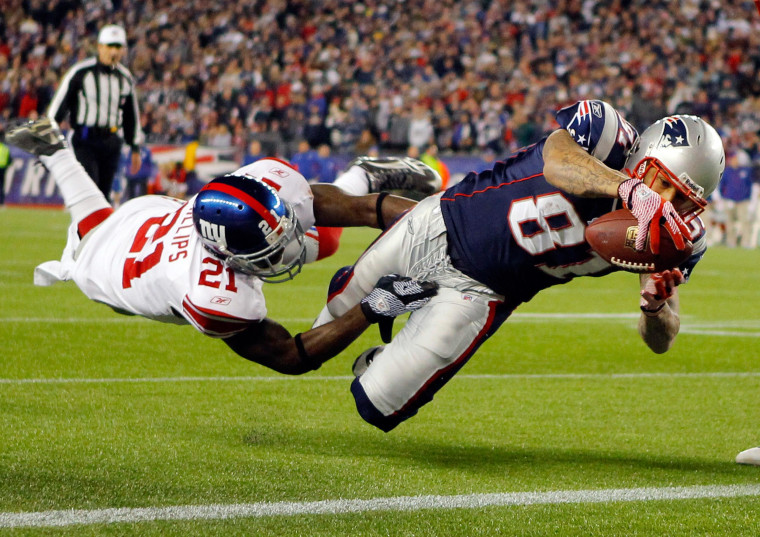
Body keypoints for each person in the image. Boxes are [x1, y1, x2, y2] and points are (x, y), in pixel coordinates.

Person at [314, 100, 725, 433]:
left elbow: (662, 341)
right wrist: (626, 187)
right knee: (331, 316)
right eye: (661, 180)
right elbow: (558, 161)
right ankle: (360, 262)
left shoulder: (675, 237)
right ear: (642, 156)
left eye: (683, 198)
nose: (666, 199)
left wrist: (654, 308)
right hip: (443, 223)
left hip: (484, 292)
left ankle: (396, 342)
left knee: (377, 407)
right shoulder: (606, 133)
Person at [6, 117, 440, 373]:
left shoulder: (254, 187)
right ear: (228, 257)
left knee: (318, 236)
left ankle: (361, 176)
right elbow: (290, 355)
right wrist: (372, 308)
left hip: (148, 218)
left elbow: (364, 211)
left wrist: (444, 223)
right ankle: (57, 150)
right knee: (94, 235)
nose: (284, 244)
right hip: (119, 262)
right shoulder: (212, 296)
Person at [46, 24, 145, 203]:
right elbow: (58, 108)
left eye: (118, 47)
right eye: (109, 46)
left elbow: (131, 114)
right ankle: (83, 230)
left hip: (112, 140)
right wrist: (49, 137)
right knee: (89, 190)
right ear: (100, 47)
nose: (113, 52)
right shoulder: (81, 72)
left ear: (123, 50)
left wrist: (135, 147)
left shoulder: (124, 77)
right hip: (85, 140)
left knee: (103, 195)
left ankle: (96, 231)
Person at [0, 128, 11, 206]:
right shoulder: (5, 147)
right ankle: (1, 202)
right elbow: (10, 160)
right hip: (3, 168)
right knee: (1, 186)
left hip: (2, 168)